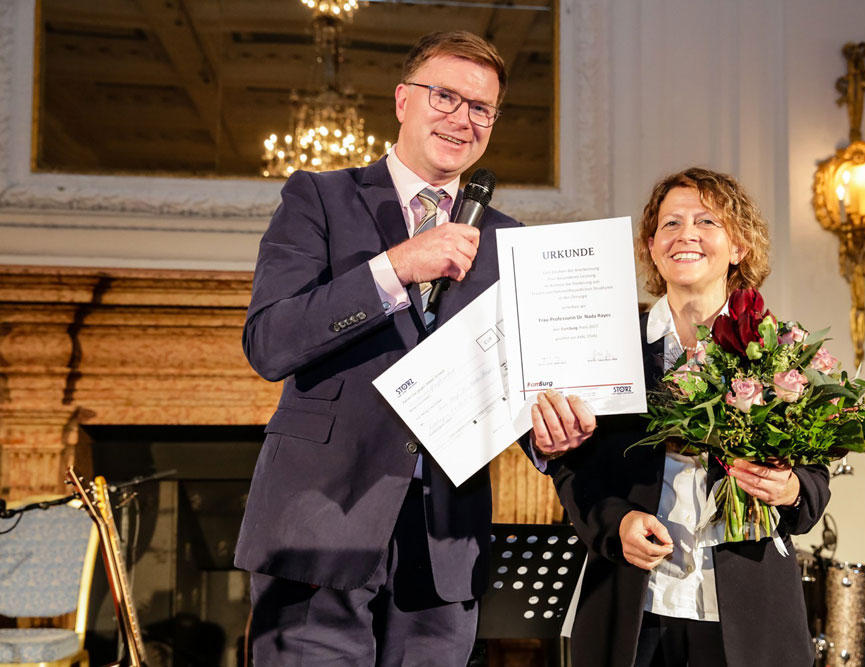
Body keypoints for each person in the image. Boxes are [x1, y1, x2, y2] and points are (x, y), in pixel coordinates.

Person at [236, 31, 593, 666]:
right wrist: (393, 268)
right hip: (321, 521)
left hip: (443, 546)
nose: (463, 118)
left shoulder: (511, 241)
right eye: (445, 96)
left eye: (481, 108)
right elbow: (270, 342)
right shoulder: (318, 196)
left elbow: (518, 383)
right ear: (403, 100)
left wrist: (546, 436)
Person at [551, 168, 830, 667]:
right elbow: (574, 466)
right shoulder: (610, 346)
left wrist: (790, 490)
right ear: (653, 247)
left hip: (748, 607)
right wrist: (616, 523)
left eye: (706, 221)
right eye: (671, 224)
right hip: (636, 600)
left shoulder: (779, 349)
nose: (687, 234)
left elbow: (814, 481)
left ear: (739, 246)